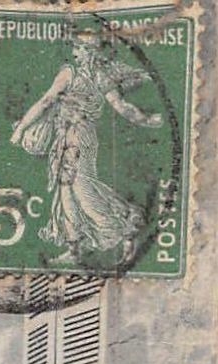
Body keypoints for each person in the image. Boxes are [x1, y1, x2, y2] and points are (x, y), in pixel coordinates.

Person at [9, 31, 163, 264]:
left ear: (89, 51)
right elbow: (123, 107)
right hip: (76, 135)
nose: (74, 53)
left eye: (78, 49)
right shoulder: (101, 77)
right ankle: (74, 249)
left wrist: (21, 128)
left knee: (81, 189)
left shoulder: (70, 73)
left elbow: (46, 101)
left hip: (75, 137)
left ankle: (125, 228)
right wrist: (147, 119)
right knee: (67, 192)